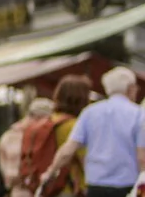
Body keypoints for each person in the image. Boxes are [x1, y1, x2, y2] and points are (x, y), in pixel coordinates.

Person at [40, 68, 145, 197]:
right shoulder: (139, 114)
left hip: (96, 187)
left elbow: (68, 150)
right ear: (130, 88)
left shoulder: (89, 113)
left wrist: (50, 172)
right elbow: (142, 156)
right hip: (127, 187)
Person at [0, 99, 55, 197]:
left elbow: (7, 176)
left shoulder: (7, 137)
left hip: (17, 192)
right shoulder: (41, 135)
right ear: (38, 118)